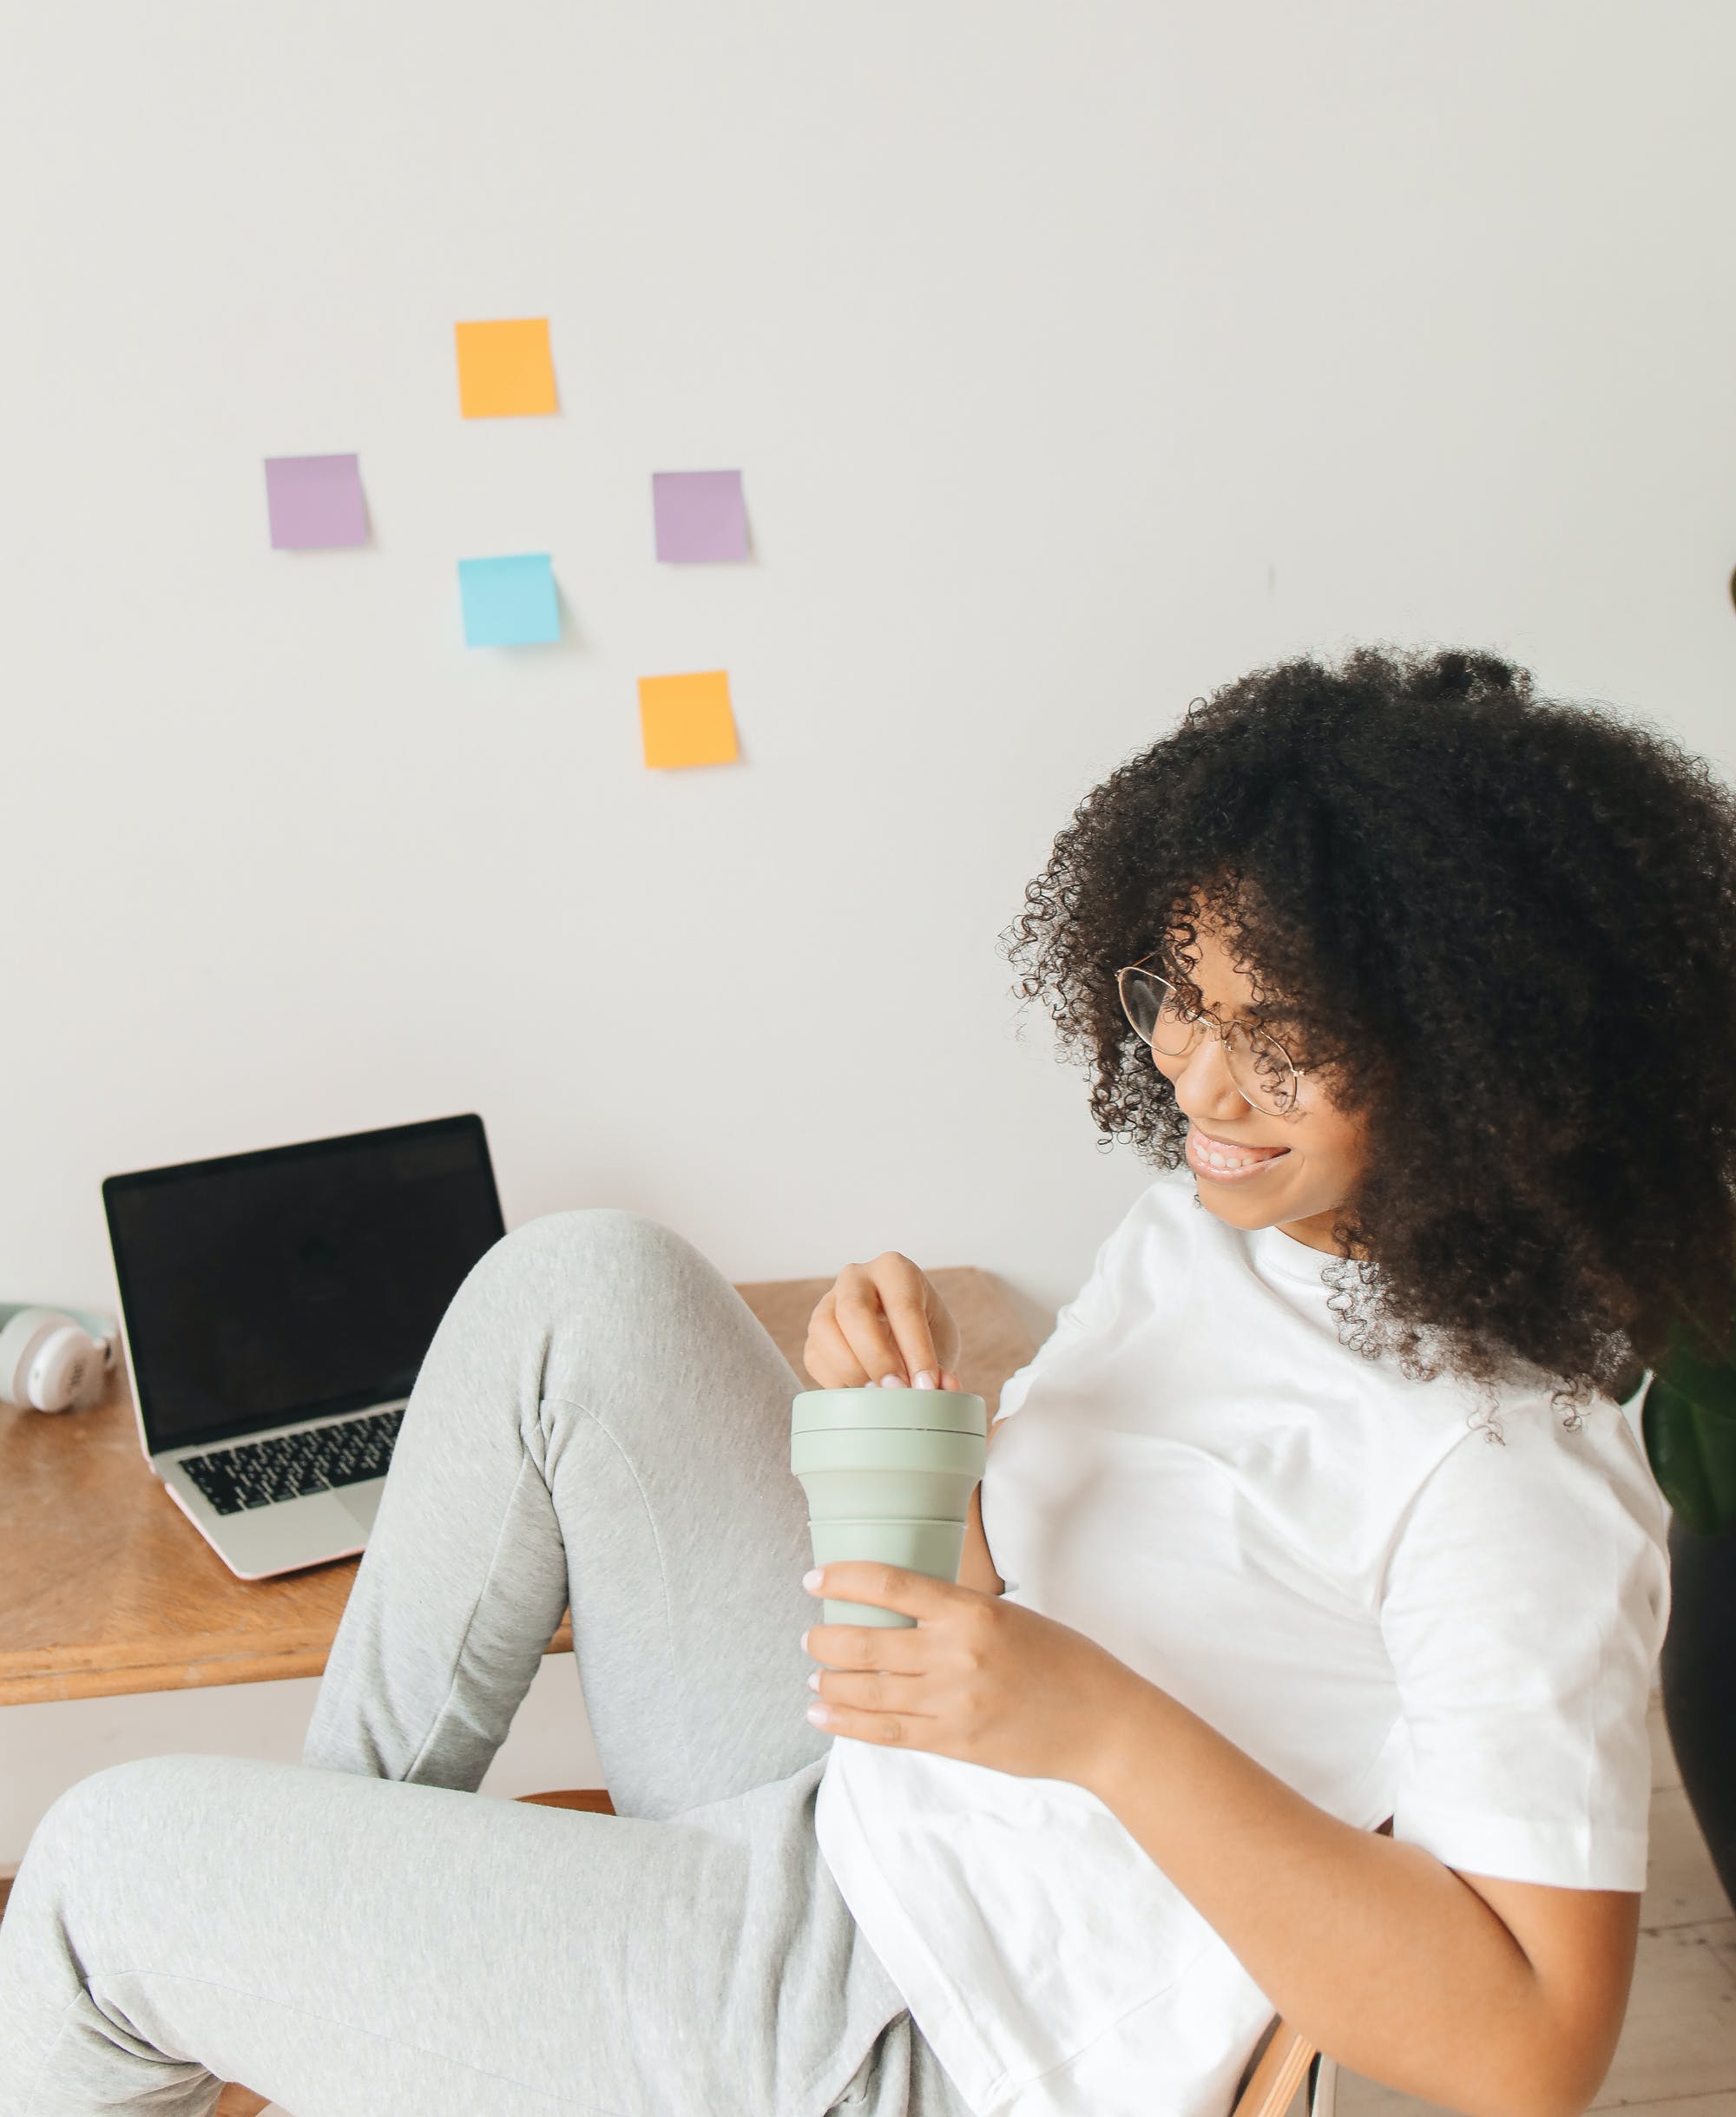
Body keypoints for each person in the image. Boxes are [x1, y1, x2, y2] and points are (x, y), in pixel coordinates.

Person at [2, 647, 1729, 2117]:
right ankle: (351, 1944)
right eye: (1180, 1000)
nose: (1202, 1076)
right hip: (871, 1808)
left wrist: (1100, 1729)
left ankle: (306, 1967)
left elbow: (1530, 2041)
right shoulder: (1224, 1229)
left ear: (1481, 1054)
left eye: (1281, 1037)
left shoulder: (1505, 1473)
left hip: (913, 2026)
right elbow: (1029, 1600)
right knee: (584, 1284)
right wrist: (903, 1449)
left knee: (88, 1879)